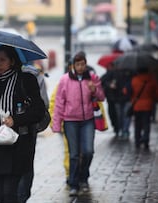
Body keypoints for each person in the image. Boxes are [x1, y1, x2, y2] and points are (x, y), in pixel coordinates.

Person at [0, 45, 45, 203]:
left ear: (12, 61)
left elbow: (39, 111)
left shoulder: (25, 80)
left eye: (2, 60)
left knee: (10, 195)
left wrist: (15, 120)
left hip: (17, 146)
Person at [51, 52, 105, 196]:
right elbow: (59, 103)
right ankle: (74, 183)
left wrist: (95, 90)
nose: (81, 67)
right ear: (73, 66)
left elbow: (101, 97)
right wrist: (56, 124)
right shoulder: (65, 80)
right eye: (78, 64)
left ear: (86, 64)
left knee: (88, 151)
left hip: (87, 120)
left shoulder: (92, 78)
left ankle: (83, 177)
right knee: (74, 154)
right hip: (70, 121)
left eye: (83, 64)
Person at [17, 64, 49, 203]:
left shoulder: (1, 76)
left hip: (9, 128)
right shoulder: (36, 75)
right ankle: (22, 196)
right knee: (26, 162)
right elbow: (44, 104)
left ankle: (16, 195)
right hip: (30, 128)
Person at [131, 66, 158, 150]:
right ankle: (146, 140)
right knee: (146, 123)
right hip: (148, 106)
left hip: (136, 106)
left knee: (137, 124)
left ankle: (137, 140)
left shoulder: (134, 80)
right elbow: (157, 93)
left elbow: (128, 91)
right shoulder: (152, 80)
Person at [100, 62, 119, 136]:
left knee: (114, 112)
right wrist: (109, 85)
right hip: (112, 97)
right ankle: (116, 127)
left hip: (113, 97)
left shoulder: (115, 74)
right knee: (113, 112)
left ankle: (116, 126)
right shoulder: (108, 75)